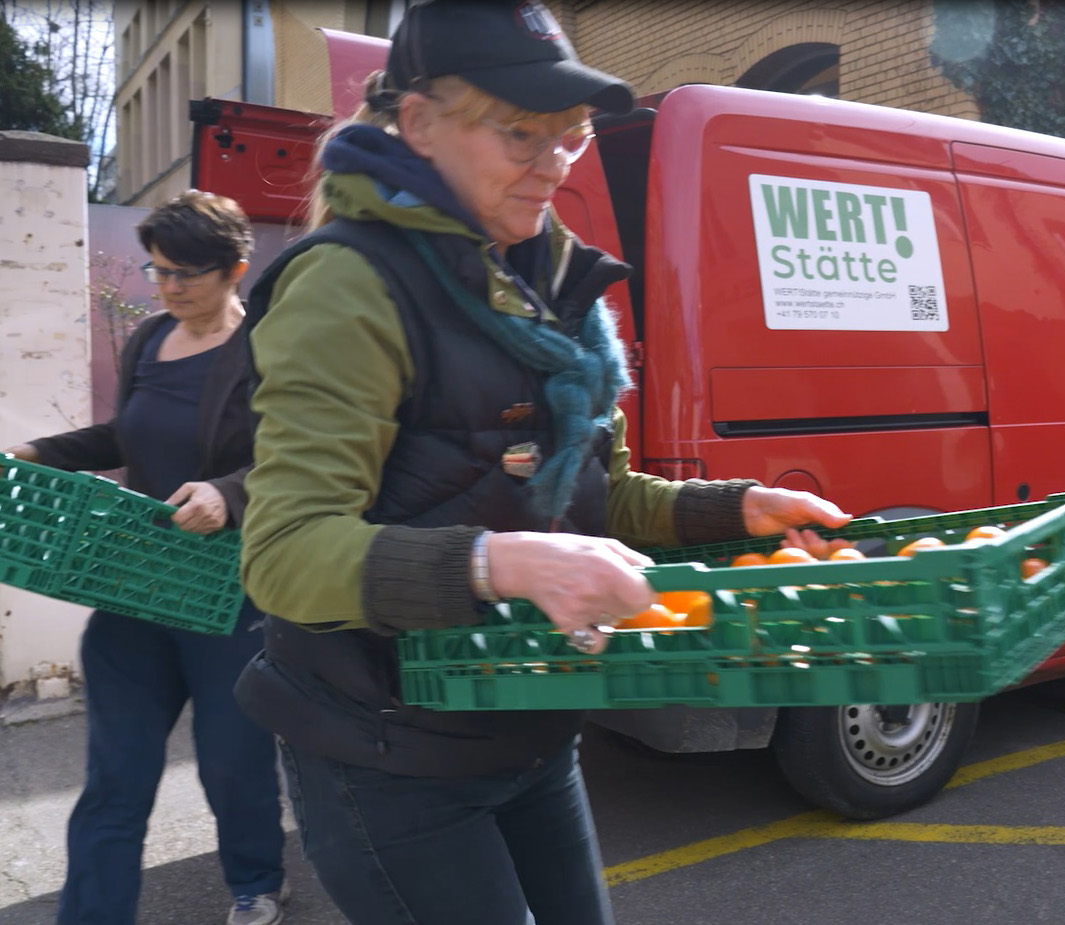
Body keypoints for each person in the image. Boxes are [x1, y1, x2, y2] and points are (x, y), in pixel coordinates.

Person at [231, 2, 851, 923]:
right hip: (390, 751)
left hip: (532, 722)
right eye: (521, 133)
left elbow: (600, 496)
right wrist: (502, 563)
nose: (555, 164)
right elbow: (283, 554)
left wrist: (736, 508)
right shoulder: (348, 282)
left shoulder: (552, 283)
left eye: (571, 134)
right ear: (419, 122)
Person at [3, 191, 288, 925]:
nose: (168, 287)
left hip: (226, 595)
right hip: (135, 588)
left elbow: (297, 461)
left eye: (187, 273)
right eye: (158, 270)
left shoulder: (269, 350)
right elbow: (125, 436)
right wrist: (37, 451)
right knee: (116, 775)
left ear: (235, 269)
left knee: (232, 763)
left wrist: (229, 493)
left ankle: (256, 882)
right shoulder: (150, 338)